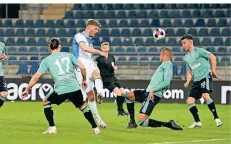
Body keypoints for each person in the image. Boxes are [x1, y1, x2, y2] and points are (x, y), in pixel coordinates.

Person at [22, 38, 100, 135]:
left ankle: (52, 128)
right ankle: (95, 128)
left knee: (46, 101)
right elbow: (83, 67)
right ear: (60, 46)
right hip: (74, 87)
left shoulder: (46, 60)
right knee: (82, 106)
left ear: (49, 47)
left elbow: (36, 77)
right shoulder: (69, 55)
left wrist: (27, 88)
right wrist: (84, 80)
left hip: (61, 89)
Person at [118, 48, 182, 130]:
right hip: (147, 92)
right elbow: (166, 86)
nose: (159, 56)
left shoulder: (167, 65)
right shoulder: (164, 65)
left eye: (160, 54)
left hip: (152, 95)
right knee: (128, 97)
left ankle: (168, 124)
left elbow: (166, 83)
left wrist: (153, 90)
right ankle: (132, 122)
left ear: (164, 55)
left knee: (142, 122)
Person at [181, 34, 222, 128]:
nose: (183, 45)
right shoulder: (186, 57)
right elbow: (190, 71)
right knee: (189, 100)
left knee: (205, 95)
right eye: (182, 44)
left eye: (184, 43)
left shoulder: (199, 51)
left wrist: (213, 70)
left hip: (205, 76)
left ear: (190, 42)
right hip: (197, 81)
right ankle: (197, 122)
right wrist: (187, 81)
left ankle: (217, 119)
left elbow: (213, 57)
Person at [72, 19, 107, 128]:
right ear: (89, 27)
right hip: (80, 66)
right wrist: (100, 52)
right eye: (95, 29)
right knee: (90, 96)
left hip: (89, 63)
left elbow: (88, 52)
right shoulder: (79, 36)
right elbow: (84, 48)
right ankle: (98, 119)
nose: (97, 31)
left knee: (97, 73)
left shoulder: (90, 40)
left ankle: (101, 93)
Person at [95, 42, 138, 128]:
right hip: (107, 80)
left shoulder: (111, 57)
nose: (105, 48)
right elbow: (97, 69)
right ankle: (120, 110)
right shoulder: (99, 59)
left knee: (123, 92)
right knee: (120, 94)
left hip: (113, 78)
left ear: (109, 48)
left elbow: (112, 66)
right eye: (104, 47)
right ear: (101, 49)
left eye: (107, 46)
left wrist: (114, 68)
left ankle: (121, 110)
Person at [0, 41, 8, 109]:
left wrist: (4, 57)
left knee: (4, 94)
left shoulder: (2, 44)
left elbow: (4, 55)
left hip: (0, 74)